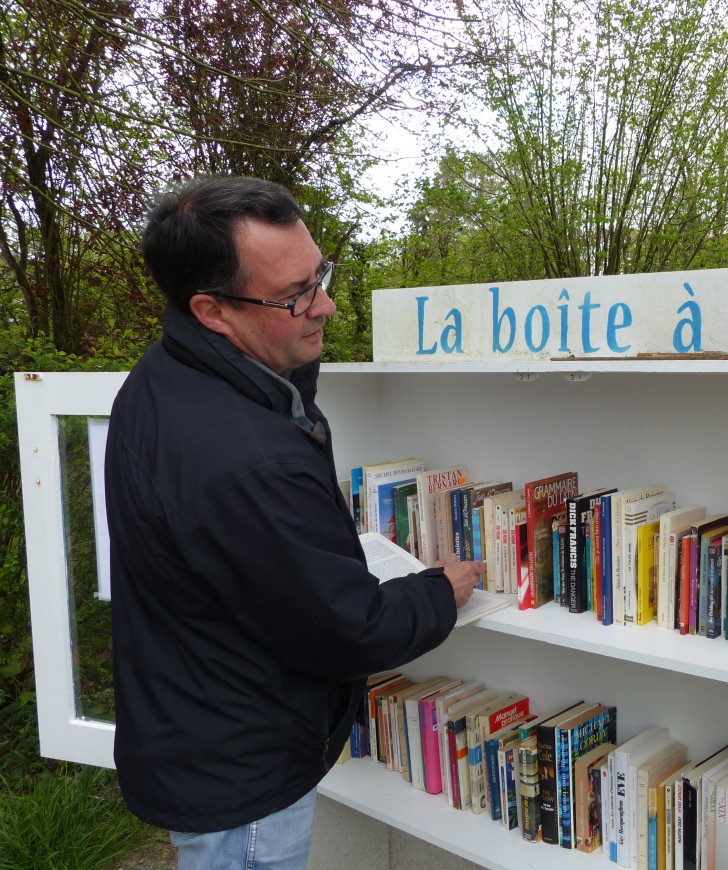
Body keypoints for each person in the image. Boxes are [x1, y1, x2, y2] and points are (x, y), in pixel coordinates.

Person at [104, 176, 483, 869]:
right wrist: (438, 590)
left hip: (193, 726)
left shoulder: (167, 374)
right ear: (212, 310)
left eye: (320, 276)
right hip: (240, 773)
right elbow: (350, 628)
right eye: (295, 295)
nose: (327, 305)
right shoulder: (243, 459)